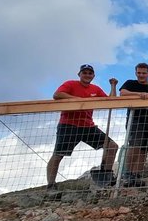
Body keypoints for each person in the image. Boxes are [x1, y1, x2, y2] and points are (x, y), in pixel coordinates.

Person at [46, 64, 118, 199]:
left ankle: (106, 175)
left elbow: (110, 100)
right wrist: (77, 100)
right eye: (84, 72)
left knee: (112, 146)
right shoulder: (70, 84)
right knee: (58, 155)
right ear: (79, 74)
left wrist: (113, 85)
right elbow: (57, 95)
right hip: (68, 125)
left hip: (88, 126)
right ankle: (50, 185)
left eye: (90, 73)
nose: (87, 75)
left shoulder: (95, 89)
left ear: (93, 76)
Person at [119, 63, 148, 187]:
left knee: (144, 149)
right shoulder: (130, 83)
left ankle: (136, 175)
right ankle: (127, 174)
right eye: (139, 73)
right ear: (136, 73)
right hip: (135, 119)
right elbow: (122, 93)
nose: (141, 75)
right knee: (134, 146)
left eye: (144, 73)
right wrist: (139, 95)